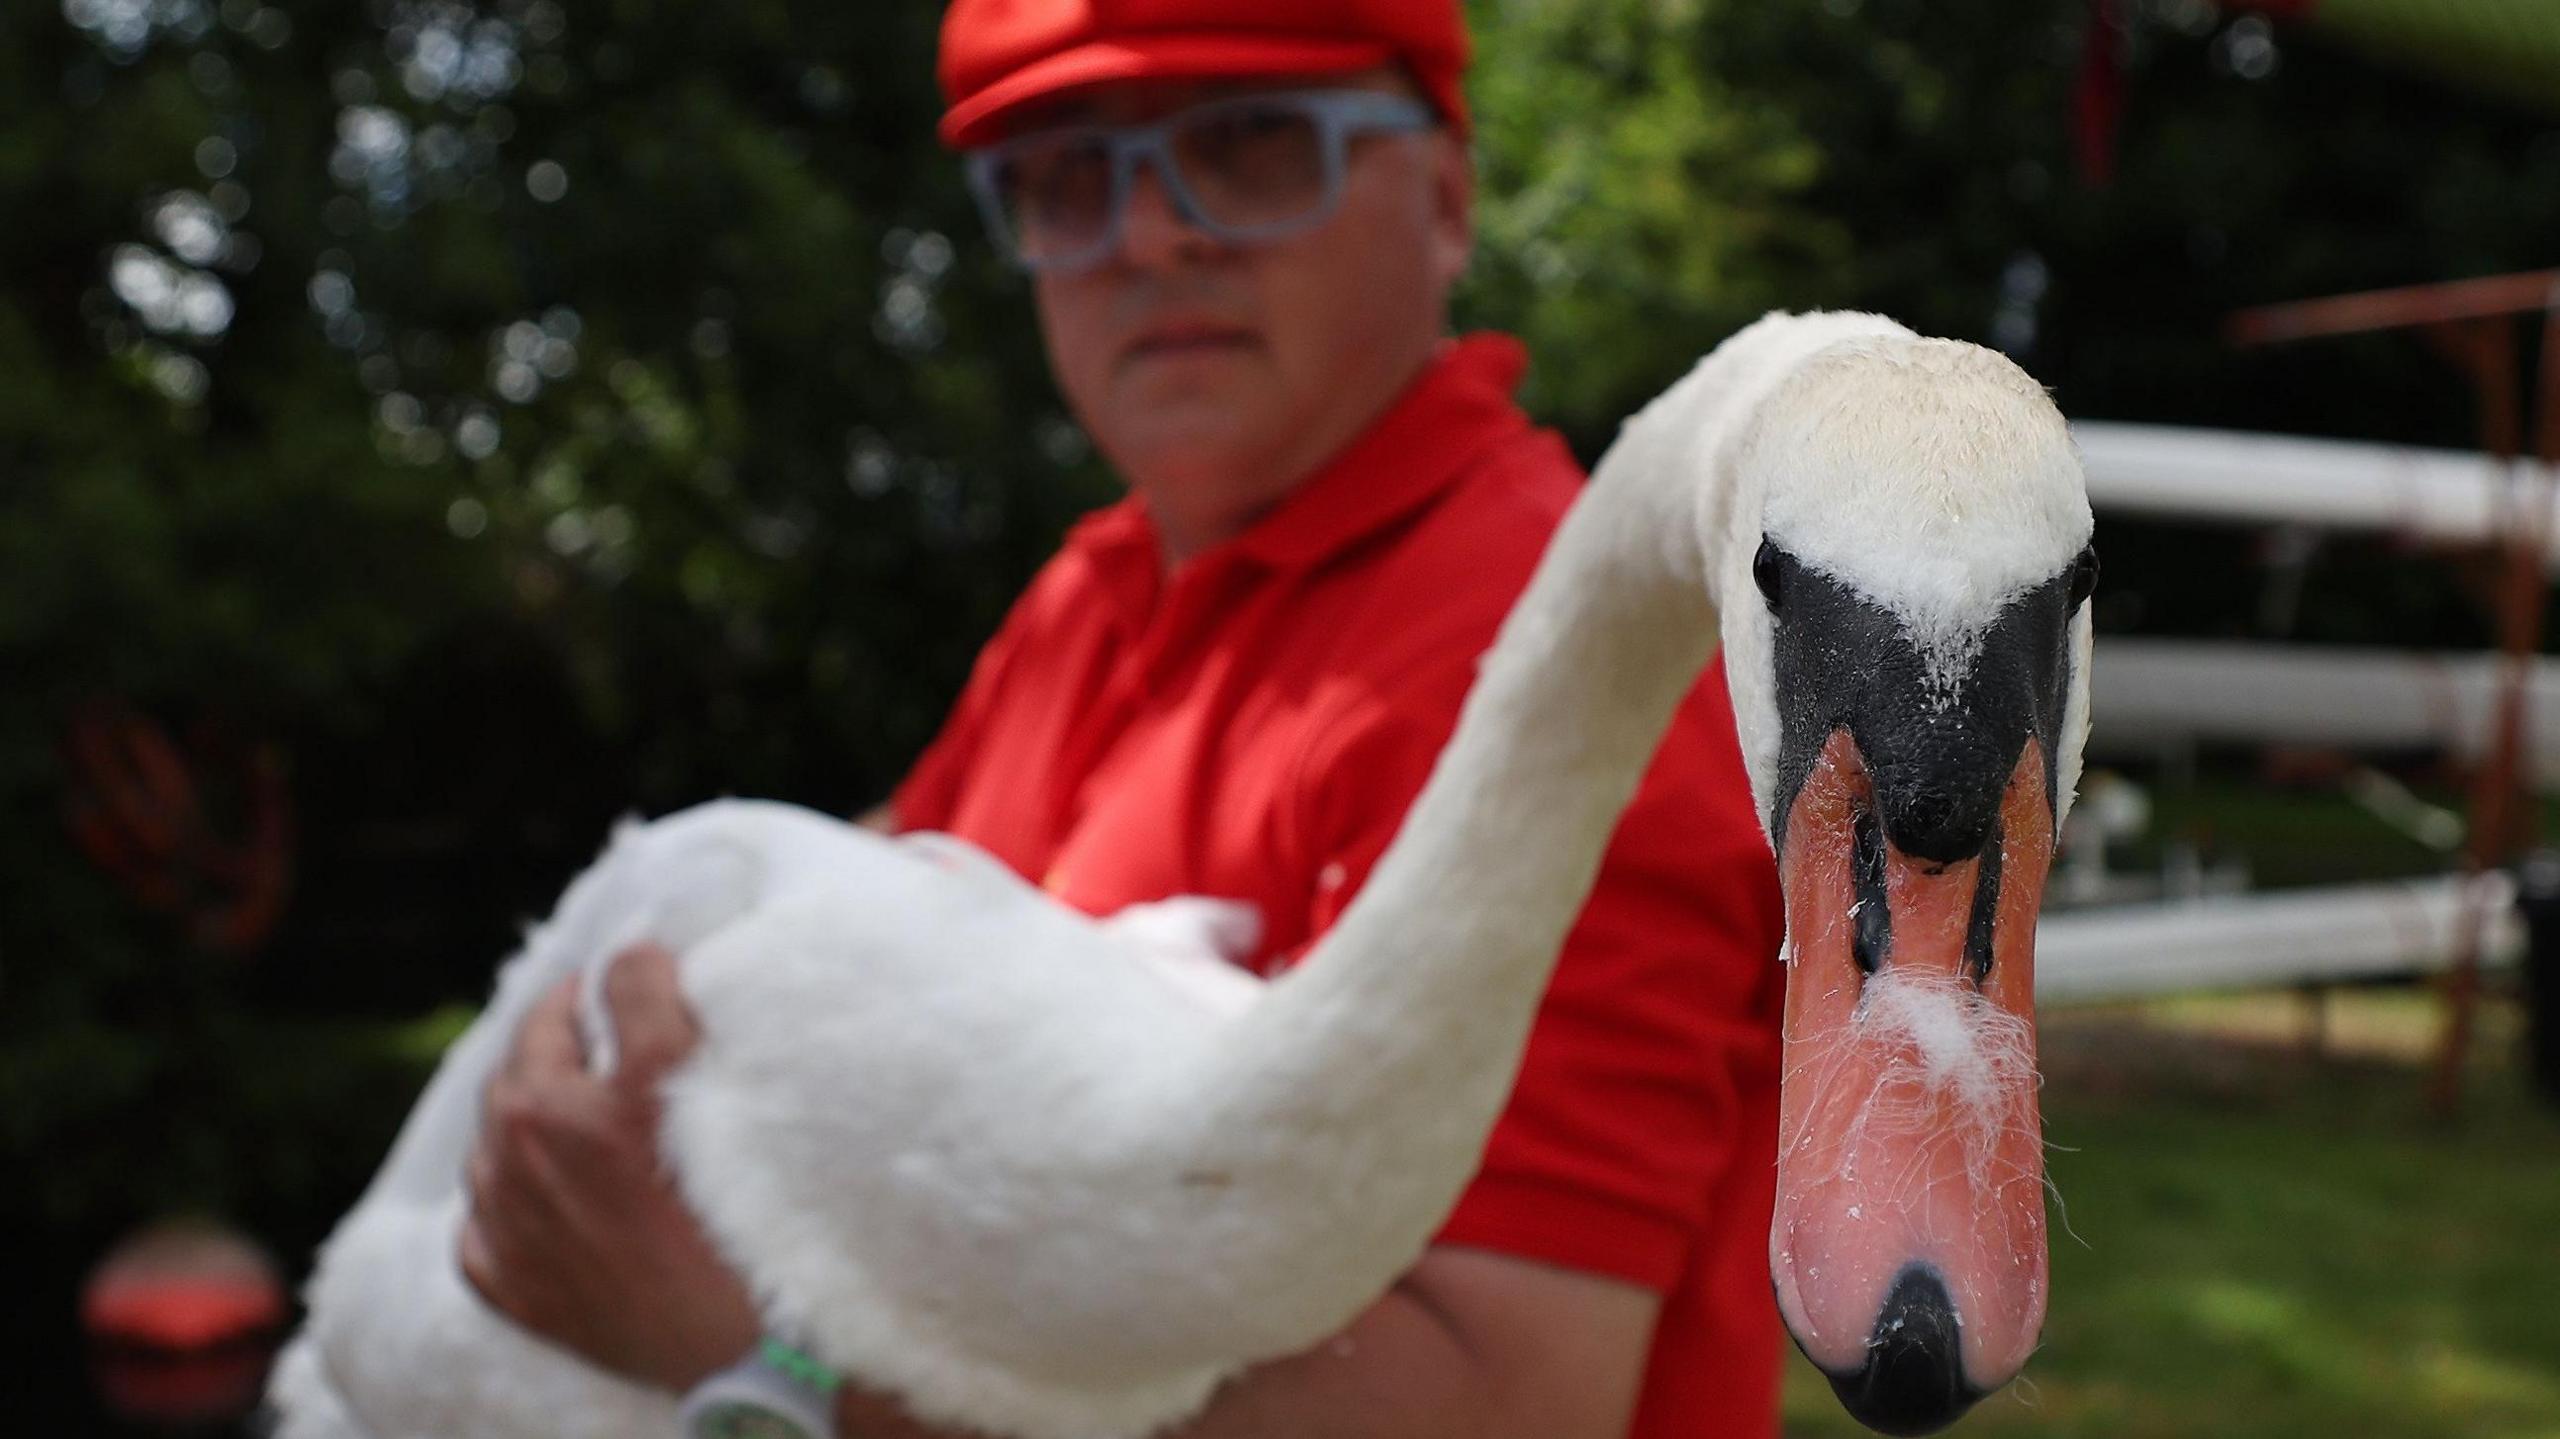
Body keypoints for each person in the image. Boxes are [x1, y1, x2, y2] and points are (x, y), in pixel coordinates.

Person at [456, 3, 1787, 1436]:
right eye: (1068, 175)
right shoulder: (1090, 599)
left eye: (1256, 144)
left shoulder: (1554, 679)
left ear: (1448, 202)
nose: (1148, 237)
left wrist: (763, 1356)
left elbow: (1504, 1396)